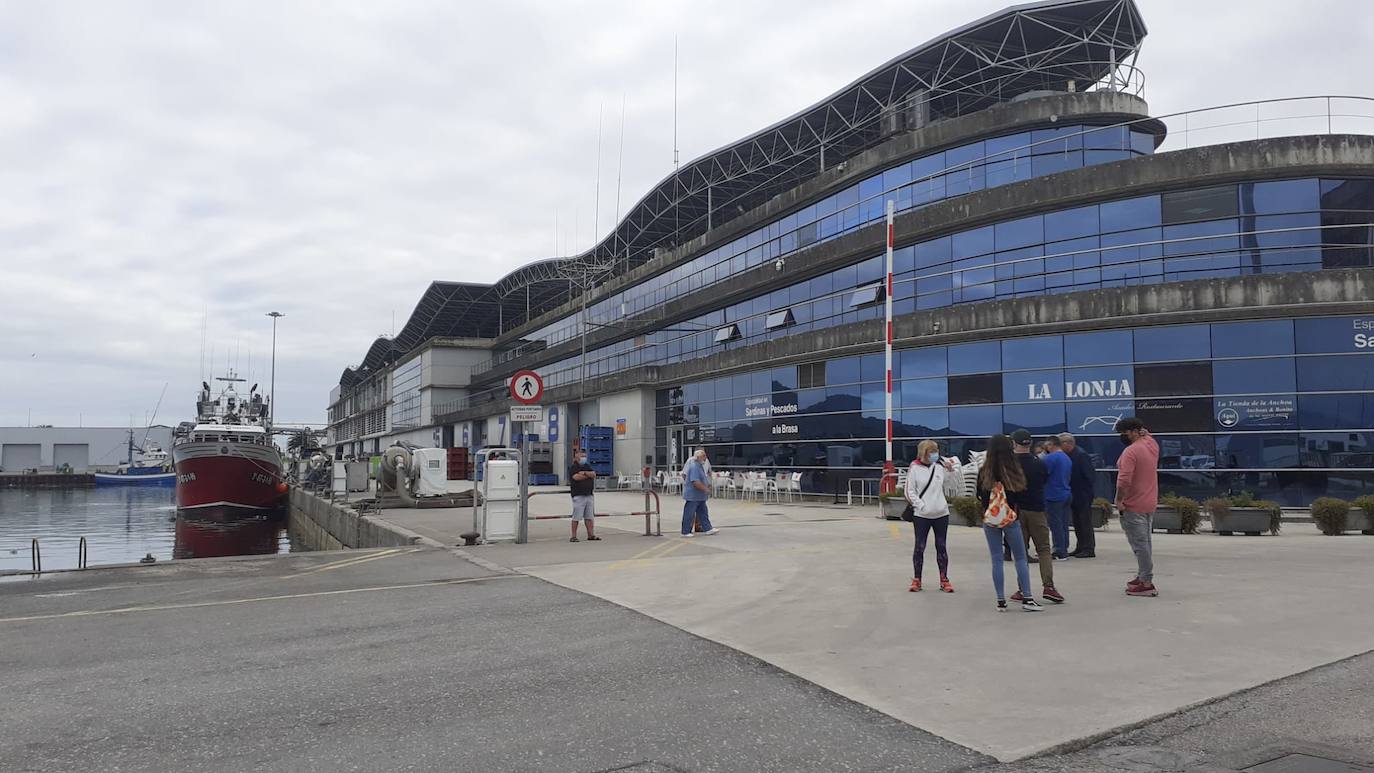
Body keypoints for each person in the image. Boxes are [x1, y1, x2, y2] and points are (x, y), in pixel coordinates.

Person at [976, 434, 1043, 612]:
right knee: (1020, 557)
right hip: (1011, 518)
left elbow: (979, 496)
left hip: (990, 519)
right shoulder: (1013, 470)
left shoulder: (984, 471)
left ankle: (1000, 601)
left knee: (996, 559)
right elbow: (1022, 493)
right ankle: (1027, 598)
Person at [1010, 429, 1064, 603]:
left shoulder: (1009, 464)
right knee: (1043, 549)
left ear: (1014, 443)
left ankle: (1022, 589)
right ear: (1030, 444)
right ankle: (1048, 586)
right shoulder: (1039, 463)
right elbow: (1044, 481)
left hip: (1016, 512)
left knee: (1020, 552)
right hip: (1037, 510)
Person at [904, 440, 962, 593]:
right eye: (932, 452)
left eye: (936, 451)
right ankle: (917, 579)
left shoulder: (939, 467)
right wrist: (921, 506)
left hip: (941, 513)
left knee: (941, 546)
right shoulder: (914, 468)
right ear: (924, 453)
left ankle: (944, 579)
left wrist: (950, 471)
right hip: (922, 515)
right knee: (919, 547)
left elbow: (950, 486)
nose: (935, 455)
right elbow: (910, 491)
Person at [1115, 418, 1160, 597]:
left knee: (1139, 544)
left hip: (1133, 504)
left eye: (1124, 433)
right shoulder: (1151, 445)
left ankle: (1146, 582)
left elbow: (1124, 480)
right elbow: (1149, 435)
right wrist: (1145, 432)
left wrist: (1119, 500)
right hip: (1149, 502)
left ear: (1133, 431)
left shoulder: (1130, 451)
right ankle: (1143, 575)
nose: (1122, 436)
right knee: (1146, 541)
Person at [1060, 432, 1098, 557]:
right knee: (1077, 521)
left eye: (1060, 443)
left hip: (1082, 494)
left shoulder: (1081, 455)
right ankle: (1080, 546)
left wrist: (1085, 491)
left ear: (1068, 443)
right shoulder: (1069, 455)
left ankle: (1088, 548)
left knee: (1084, 521)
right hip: (1074, 493)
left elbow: (1090, 476)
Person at [1041, 435, 1073, 560]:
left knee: (1055, 524)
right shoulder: (1066, 457)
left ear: (1051, 445)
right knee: (1064, 523)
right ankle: (1064, 547)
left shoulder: (1050, 459)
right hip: (1066, 492)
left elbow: (1043, 474)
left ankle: (1059, 550)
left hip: (1053, 494)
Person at [682, 449, 719, 537]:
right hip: (693, 495)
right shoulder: (694, 466)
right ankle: (685, 531)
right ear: (698, 457)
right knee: (689, 513)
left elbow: (707, 475)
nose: (705, 458)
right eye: (704, 456)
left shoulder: (699, 466)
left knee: (703, 512)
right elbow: (695, 482)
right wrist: (705, 489)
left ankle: (708, 528)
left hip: (699, 496)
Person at [567, 450, 601, 543]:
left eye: (585, 456)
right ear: (576, 457)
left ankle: (591, 535)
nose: (584, 458)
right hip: (578, 495)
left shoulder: (587, 466)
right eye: (582, 456)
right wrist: (588, 475)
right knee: (576, 516)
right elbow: (576, 477)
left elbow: (594, 474)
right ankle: (573, 536)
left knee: (589, 517)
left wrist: (584, 473)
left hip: (589, 495)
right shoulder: (573, 467)